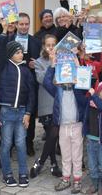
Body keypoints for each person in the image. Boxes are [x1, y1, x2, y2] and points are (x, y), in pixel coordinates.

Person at [0, 12, 41, 156]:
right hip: (13, 83)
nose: (24, 26)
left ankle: (29, 143)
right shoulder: (10, 38)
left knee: (29, 113)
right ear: (16, 24)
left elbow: (41, 59)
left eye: (26, 24)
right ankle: (11, 145)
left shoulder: (35, 41)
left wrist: (36, 64)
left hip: (30, 80)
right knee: (11, 118)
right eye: (21, 24)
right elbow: (1, 55)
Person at [43, 52, 88, 193]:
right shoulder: (58, 90)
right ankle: (66, 178)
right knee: (65, 154)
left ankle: (77, 180)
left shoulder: (78, 89)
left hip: (76, 126)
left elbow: (85, 82)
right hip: (62, 126)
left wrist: (78, 66)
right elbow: (46, 82)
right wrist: (52, 65)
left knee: (77, 154)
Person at [0, 41, 36, 188]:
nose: (21, 55)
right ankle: (7, 174)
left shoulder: (26, 71)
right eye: (18, 52)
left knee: (20, 143)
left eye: (21, 52)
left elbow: (32, 93)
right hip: (6, 112)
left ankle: (23, 173)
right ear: (10, 54)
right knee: (6, 144)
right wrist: (4, 30)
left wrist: (28, 113)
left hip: (21, 112)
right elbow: (0, 50)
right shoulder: (4, 66)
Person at [31, 34, 62, 178]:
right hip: (46, 104)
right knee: (52, 134)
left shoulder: (62, 60)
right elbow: (42, 79)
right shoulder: (39, 62)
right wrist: (51, 63)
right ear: (44, 46)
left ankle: (45, 162)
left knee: (53, 135)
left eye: (53, 45)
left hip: (59, 103)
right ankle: (49, 163)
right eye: (48, 45)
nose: (50, 48)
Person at [83, 81, 102, 195]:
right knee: (92, 166)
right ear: (99, 92)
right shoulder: (90, 103)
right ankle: (94, 184)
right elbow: (85, 118)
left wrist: (93, 95)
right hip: (90, 139)